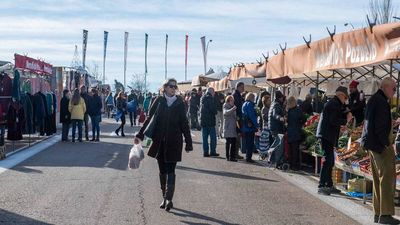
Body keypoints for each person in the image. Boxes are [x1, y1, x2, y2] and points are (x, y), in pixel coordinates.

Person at [135, 78, 193, 212]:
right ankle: (164, 197)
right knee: (162, 171)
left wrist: (188, 142)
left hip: (174, 141)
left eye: (175, 87)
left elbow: (184, 123)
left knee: (171, 170)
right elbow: (150, 118)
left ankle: (168, 199)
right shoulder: (159, 101)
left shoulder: (179, 102)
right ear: (165, 87)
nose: (173, 88)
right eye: (171, 86)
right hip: (159, 141)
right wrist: (140, 133)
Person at [361, 77, 400, 224]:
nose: (395, 92)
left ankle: (378, 213)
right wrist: (386, 144)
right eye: (394, 89)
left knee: (378, 180)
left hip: (372, 145)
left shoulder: (374, 99)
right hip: (379, 146)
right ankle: (385, 214)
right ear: (385, 87)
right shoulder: (381, 102)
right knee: (387, 179)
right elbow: (380, 127)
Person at [316, 86, 352, 195]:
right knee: (328, 160)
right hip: (326, 135)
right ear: (341, 95)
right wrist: (345, 120)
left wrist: (346, 115)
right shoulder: (334, 104)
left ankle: (329, 184)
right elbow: (333, 120)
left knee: (330, 161)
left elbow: (336, 117)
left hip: (327, 134)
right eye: (345, 97)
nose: (345, 100)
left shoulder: (335, 103)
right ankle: (322, 185)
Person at [286, 96, 305, 170]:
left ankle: (291, 164)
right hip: (297, 131)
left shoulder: (289, 111)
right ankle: (295, 165)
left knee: (290, 149)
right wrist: (300, 123)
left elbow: (287, 121)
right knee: (295, 150)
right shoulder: (298, 110)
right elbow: (304, 119)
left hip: (290, 131)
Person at [200, 87, 218, 157]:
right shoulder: (210, 98)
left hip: (203, 121)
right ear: (211, 92)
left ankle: (205, 152)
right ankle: (212, 151)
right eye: (214, 92)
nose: (214, 93)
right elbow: (213, 109)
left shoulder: (202, 98)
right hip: (210, 121)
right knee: (213, 138)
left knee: (205, 138)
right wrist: (215, 111)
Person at [242, 92, 259, 163]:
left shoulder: (244, 104)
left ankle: (248, 157)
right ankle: (248, 158)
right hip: (250, 127)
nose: (254, 99)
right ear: (251, 98)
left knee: (247, 142)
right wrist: (256, 125)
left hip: (245, 126)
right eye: (253, 98)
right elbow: (252, 116)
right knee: (250, 142)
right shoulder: (250, 105)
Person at [223, 95, 237, 161]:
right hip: (228, 127)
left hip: (233, 127)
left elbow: (234, 116)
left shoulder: (233, 107)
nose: (233, 101)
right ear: (228, 101)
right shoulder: (225, 106)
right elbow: (225, 113)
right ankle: (227, 156)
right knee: (228, 142)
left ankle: (232, 157)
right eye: (231, 100)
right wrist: (232, 109)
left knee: (234, 142)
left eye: (233, 100)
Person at [233, 82, 245, 159]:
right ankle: (235, 153)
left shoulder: (238, 95)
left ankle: (235, 153)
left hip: (238, 118)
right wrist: (237, 117)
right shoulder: (235, 95)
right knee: (236, 136)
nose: (243, 89)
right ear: (238, 87)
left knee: (237, 136)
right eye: (242, 87)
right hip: (237, 119)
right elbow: (236, 107)